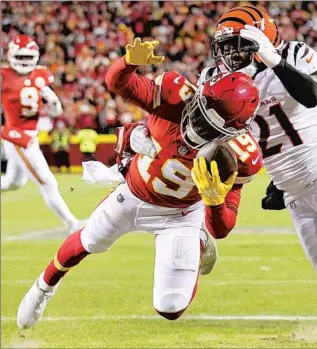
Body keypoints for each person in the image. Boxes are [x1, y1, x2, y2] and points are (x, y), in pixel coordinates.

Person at [16, 38, 262, 329]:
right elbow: (118, 83)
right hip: (134, 193)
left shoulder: (242, 156)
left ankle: (196, 238)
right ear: (200, 96)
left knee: (170, 307)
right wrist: (129, 62)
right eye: (200, 114)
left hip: (181, 215)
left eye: (211, 127)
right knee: (86, 242)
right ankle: (43, 289)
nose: (197, 126)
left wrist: (214, 200)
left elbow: (222, 228)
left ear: (234, 131)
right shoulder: (175, 94)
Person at [200, 5, 317, 271]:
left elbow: (313, 95)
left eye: (236, 44)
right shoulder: (223, 83)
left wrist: (274, 60)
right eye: (225, 47)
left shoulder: (294, 53)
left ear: (260, 40)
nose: (229, 54)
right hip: (293, 193)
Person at [1, 35, 80, 233]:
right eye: (21, 57)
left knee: (14, 182)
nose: (24, 61)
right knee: (47, 181)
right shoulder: (4, 75)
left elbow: (56, 111)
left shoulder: (41, 76)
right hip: (18, 136)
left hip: (30, 135)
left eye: (28, 58)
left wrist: (53, 102)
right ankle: (72, 223)